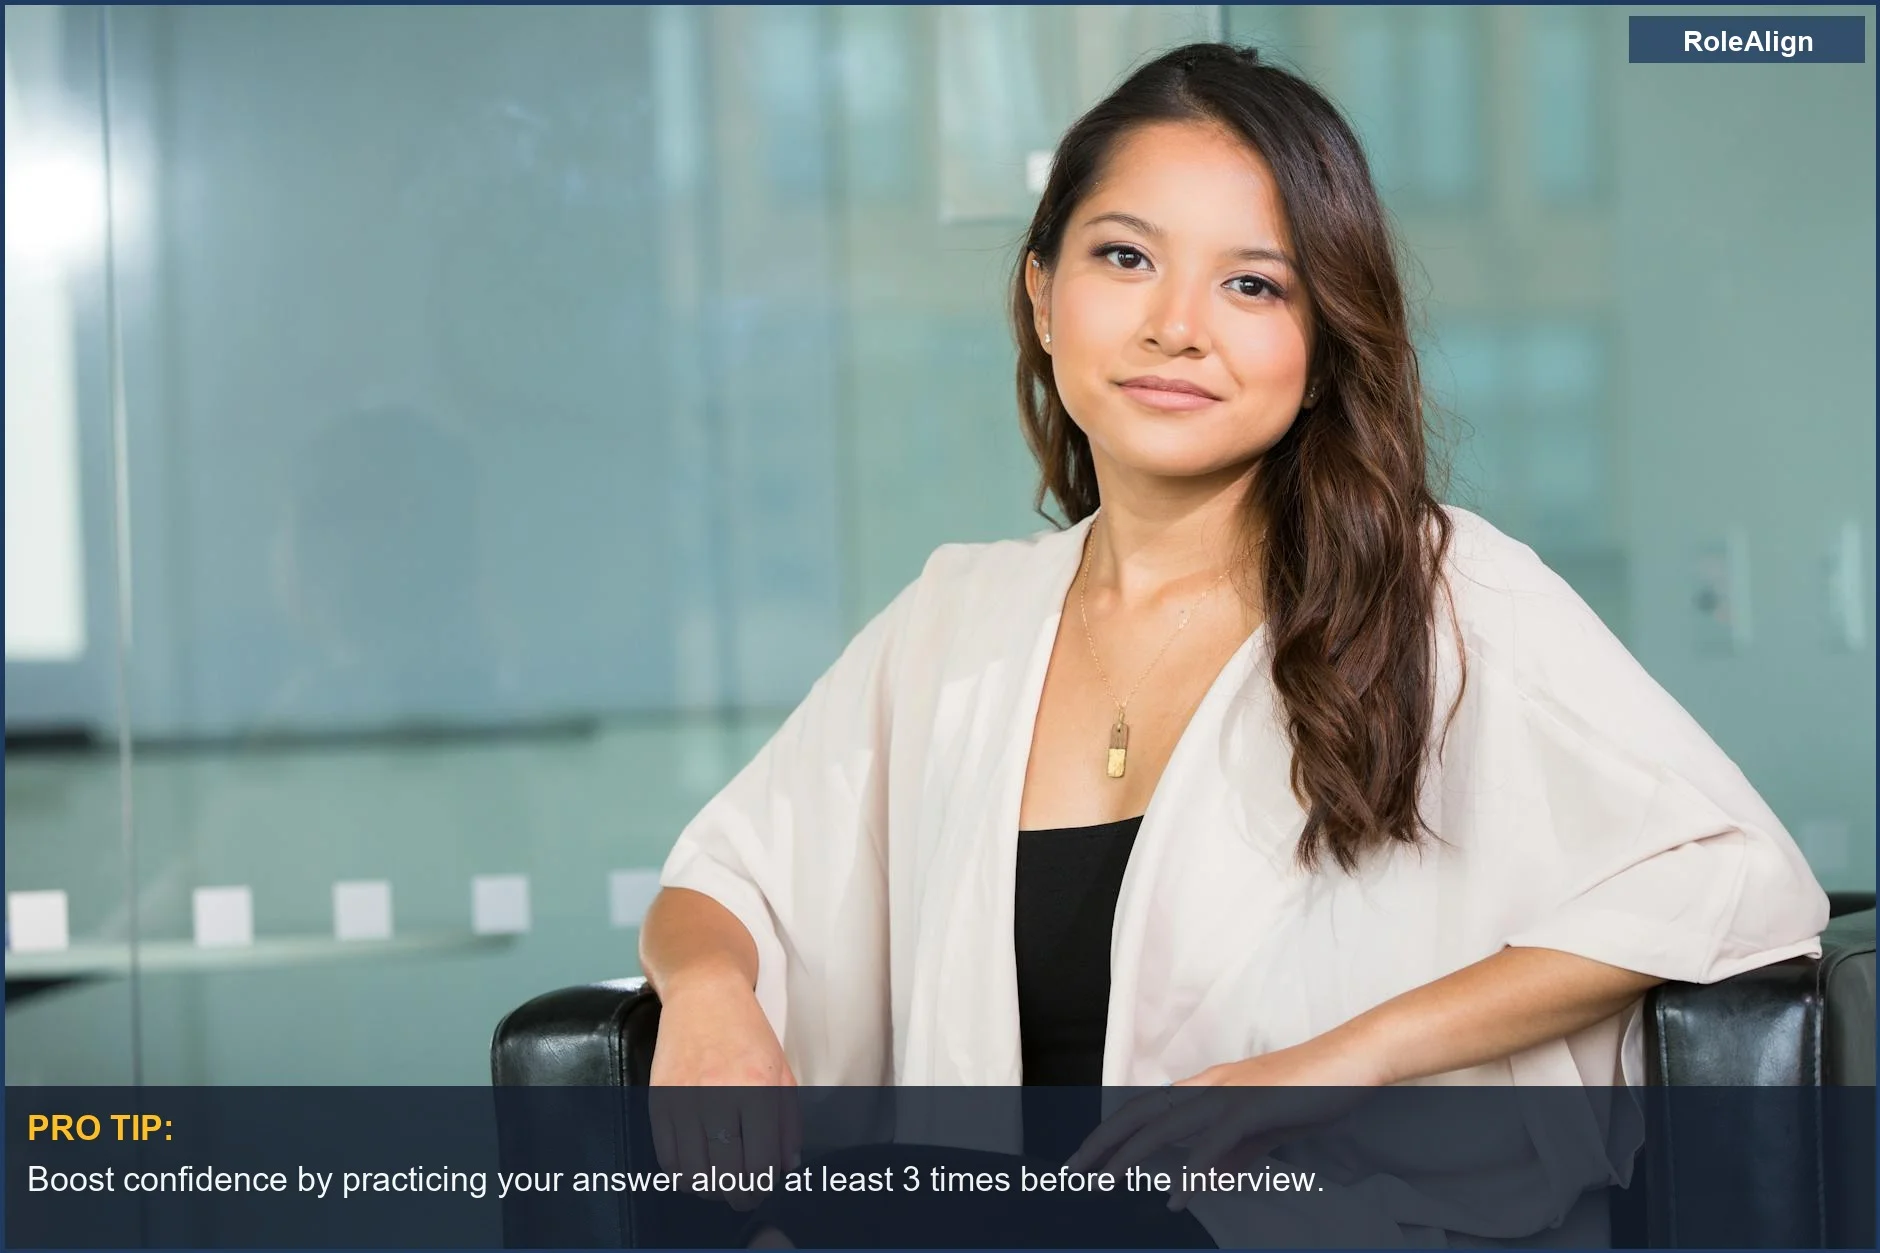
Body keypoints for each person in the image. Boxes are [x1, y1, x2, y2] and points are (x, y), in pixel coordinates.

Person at [634, 41, 1828, 1245]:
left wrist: (1328, 1063)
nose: (1175, 326)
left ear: (1321, 346)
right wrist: (708, 989)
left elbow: (1728, 870)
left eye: (1252, 285)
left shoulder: (1437, 589)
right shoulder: (956, 618)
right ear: (1042, 292)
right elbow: (728, 875)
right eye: (1124, 257)